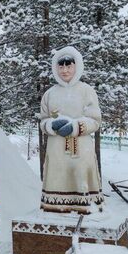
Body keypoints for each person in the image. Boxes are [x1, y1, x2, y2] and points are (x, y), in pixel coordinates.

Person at [38, 46, 104, 214]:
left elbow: (95, 120)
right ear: (55, 68)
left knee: (80, 178)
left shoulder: (87, 91)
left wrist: (76, 127)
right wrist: (50, 126)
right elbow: (44, 119)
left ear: (77, 66)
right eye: (61, 66)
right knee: (57, 178)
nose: (65, 70)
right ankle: (55, 209)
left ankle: (84, 209)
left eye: (69, 66)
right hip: (56, 150)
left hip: (81, 149)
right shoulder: (49, 94)